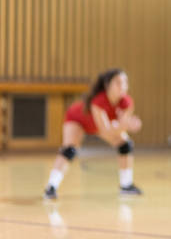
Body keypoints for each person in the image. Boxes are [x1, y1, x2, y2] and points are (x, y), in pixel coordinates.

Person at [43, 69, 143, 199]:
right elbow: (106, 130)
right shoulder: (99, 101)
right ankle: (51, 187)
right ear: (108, 85)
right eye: (118, 82)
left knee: (125, 144)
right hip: (77, 119)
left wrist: (126, 125)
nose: (123, 86)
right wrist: (125, 125)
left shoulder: (126, 102)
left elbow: (118, 127)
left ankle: (126, 185)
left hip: (98, 126)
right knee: (69, 149)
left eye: (125, 82)